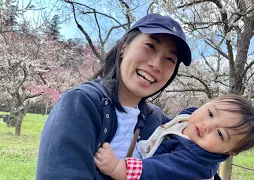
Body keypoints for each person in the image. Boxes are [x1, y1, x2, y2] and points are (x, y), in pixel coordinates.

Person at [36, 13, 191, 180]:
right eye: (150, 46)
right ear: (124, 46)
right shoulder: (81, 104)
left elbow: (202, 154)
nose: (156, 64)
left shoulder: (158, 121)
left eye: (170, 59)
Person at [94, 94, 254, 180]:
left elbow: (158, 170)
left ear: (230, 151)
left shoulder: (196, 161)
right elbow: (170, 127)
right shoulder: (188, 119)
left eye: (219, 133)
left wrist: (116, 167)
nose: (206, 126)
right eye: (210, 113)